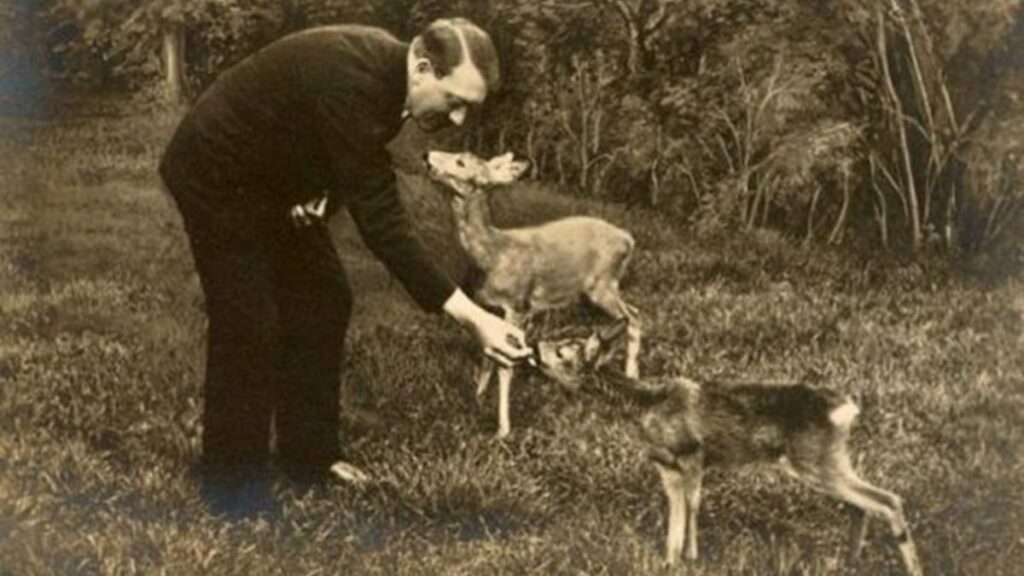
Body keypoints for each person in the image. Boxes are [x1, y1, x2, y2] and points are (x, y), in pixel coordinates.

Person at [158, 18, 531, 516]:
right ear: (422, 67)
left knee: (325, 298)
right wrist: (475, 317)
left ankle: (310, 458)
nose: (460, 121)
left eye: (469, 108)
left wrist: (318, 190)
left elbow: (326, 139)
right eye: (455, 101)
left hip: (270, 180)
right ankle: (232, 487)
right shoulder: (357, 77)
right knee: (250, 321)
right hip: (214, 174)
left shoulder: (391, 79)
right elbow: (384, 223)